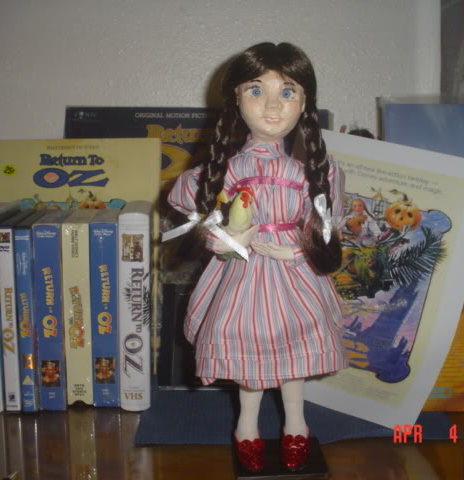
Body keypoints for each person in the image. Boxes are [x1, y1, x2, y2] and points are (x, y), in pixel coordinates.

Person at [165, 42, 346, 472]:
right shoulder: (225, 170)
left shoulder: (314, 172)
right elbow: (197, 215)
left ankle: (296, 425)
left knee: (293, 355)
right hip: (242, 278)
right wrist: (224, 241)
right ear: (236, 98)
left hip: (294, 277)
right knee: (250, 357)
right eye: (256, 90)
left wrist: (297, 249)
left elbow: (325, 227)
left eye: (288, 92)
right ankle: (246, 428)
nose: (272, 106)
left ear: (305, 103)